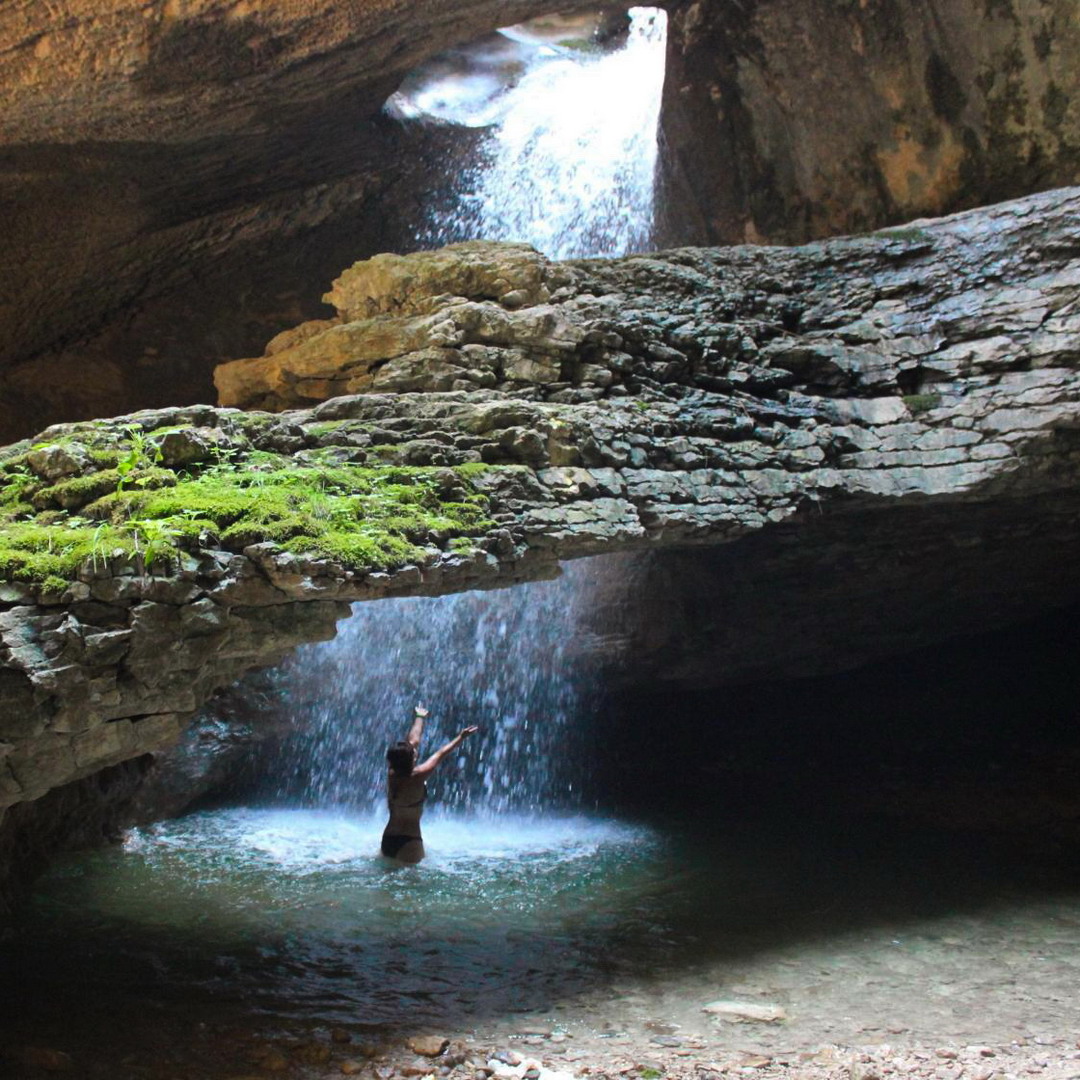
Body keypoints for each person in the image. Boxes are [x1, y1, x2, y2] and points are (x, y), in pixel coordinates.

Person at [381, 704, 478, 864]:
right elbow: (441, 754)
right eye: (414, 754)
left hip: (388, 837)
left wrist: (420, 717)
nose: (416, 752)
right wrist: (461, 737)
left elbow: (413, 741)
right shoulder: (418, 775)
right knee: (412, 885)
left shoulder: (392, 773)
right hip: (410, 840)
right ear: (411, 759)